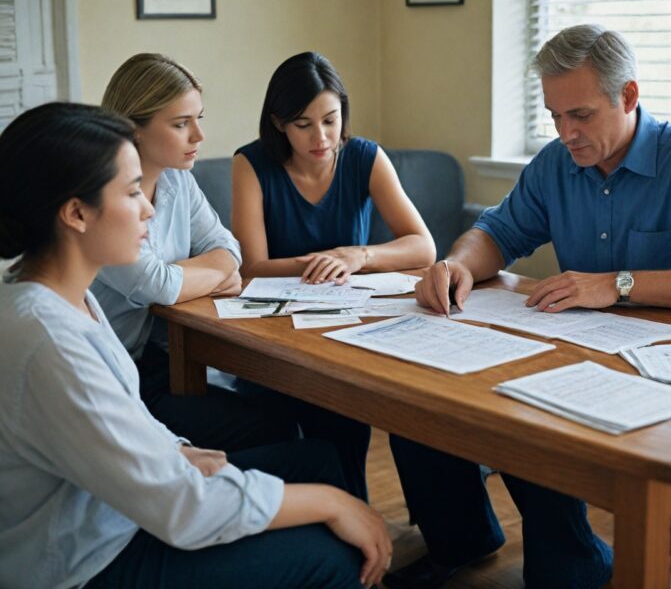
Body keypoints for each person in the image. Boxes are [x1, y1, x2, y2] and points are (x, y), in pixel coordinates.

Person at [386, 25, 671, 589]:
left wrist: (617, 284)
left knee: (532, 422)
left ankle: (570, 571)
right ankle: (465, 540)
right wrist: (458, 264)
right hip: (595, 358)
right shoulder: (557, 163)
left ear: (629, 96)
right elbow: (497, 231)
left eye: (581, 115)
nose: (566, 133)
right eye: (555, 116)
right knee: (423, 398)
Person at [0, 103, 392, 589]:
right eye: (132, 192)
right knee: (330, 553)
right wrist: (333, 504)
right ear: (77, 213)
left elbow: (124, 426)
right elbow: (183, 508)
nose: (148, 208)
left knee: (317, 460)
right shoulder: (48, 340)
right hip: (88, 560)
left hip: (114, 508)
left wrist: (178, 452)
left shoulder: (63, 298)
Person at [92, 54, 369, 502]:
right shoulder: (101, 195)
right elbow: (155, 285)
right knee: (283, 430)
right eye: (181, 124)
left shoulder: (178, 181)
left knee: (291, 420)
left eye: (198, 119)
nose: (199, 136)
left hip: (164, 360)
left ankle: (301, 519)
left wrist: (182, 275)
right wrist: (196, 275)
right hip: (117, 378)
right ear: (133, 129)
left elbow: (230, 253)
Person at [232, 51, 435, 283]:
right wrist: (332, 263)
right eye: (303, 125)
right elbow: (251, 267)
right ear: (279, 123)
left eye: (330, 121)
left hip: (351, 296)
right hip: (278, 300)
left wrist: (360, 256)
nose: (320, 138)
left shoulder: (365, 157)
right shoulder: (249, 164)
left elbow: (424, 247)